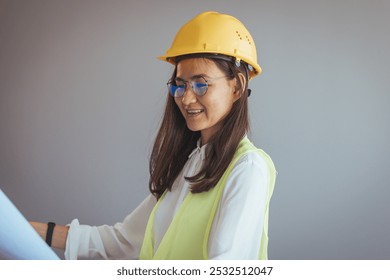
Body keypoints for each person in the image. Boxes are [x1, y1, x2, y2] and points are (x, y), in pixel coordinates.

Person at [30, 11, 276, 260]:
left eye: (201, 83)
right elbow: (123, 242)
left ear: (237, 87)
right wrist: (29, 230)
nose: (186, 98)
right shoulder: (189, 163)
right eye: (180, 84)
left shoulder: (247, 169)